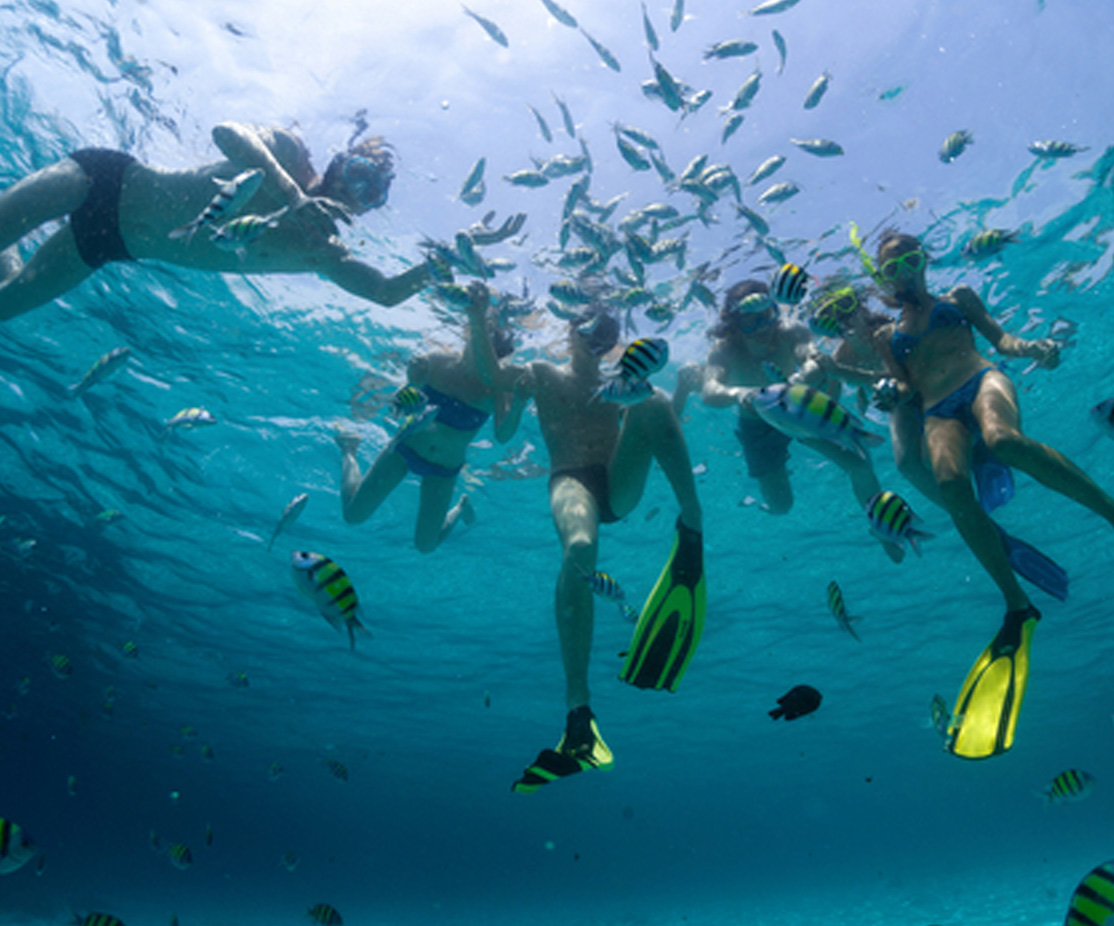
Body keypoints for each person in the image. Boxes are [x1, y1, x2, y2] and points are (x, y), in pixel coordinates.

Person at [867, 227, 1114, 759]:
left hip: (983, 381)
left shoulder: (959, 300)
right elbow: (903, 386)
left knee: (1004, 440)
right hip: (935, 410)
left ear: (925, 260)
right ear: (881, 277)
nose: (904, 270)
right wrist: (890, 393)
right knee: (952, 485)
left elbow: (1002, 341)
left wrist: (1035, 348)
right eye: (891, 266)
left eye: (910, 258)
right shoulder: (885, 337)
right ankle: (1016, 607)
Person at [467, 298, 705, 794]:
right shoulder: (541, 372)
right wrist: (476, 313)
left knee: (654, 400)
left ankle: (693, 528)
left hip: (618, 481)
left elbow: (663, 429)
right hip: (570, 480)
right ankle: (578, 712)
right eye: (587, 330)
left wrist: (680, 387)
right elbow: (496, 394)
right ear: (570, 332)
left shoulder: (620, 383)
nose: (595, 340)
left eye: (605, 334)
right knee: (579, 547)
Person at [0, 122, 525, 320]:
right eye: (358, 173)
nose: (356, 191)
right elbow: (227, 133)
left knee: (6, 304)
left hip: (107, 245)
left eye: (373, 193)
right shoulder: (289, 153)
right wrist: (295, 196)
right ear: (338, 163)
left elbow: (386, 294)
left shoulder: (323, 250)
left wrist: (456, 254)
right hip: (103, 179)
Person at [692, 278, 898, 558]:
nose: (762, 329)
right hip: (758, 424)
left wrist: (804, 374)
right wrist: (740, 393)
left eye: (766, 317)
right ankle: (757, 503)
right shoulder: (723, 349)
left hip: (800, 411)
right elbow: (709, 392)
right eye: (750, 323)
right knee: (781, 505)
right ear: (734, 325)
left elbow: (810, 357)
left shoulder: (791, 331)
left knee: (860, 465)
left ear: (774, 311)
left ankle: (883, 530)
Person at [336, 285, 523, 553]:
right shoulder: (436, 362)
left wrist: (519, 402)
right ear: (470, 337)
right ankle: (349, 450)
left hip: (443, 469)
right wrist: (412, 383)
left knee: (425, 545)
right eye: (480, 348)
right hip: (404, 448)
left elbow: (503, 435)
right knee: (353, 515)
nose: (483, 361)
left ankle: (460, 508)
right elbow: (398, 408)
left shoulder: (497, 389)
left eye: (492, 357)